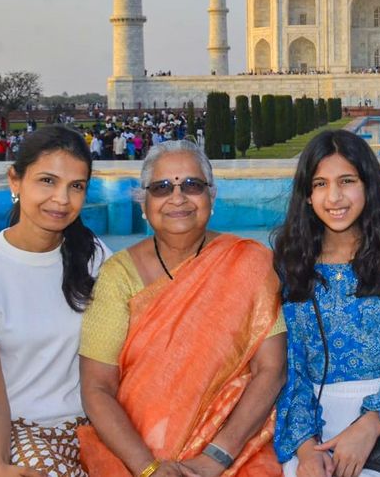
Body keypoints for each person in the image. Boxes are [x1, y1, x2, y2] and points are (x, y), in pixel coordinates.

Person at [78, 139, 285, 477]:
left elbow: (271, 370)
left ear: (211, 197)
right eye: (161, 188)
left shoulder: (250, 262)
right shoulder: (119, 275)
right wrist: (148, 467)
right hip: (132, 454)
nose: (178, 198)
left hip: (232, 451)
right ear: (144, 203)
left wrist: (215, 459)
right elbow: (96, 387)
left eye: (192, 185)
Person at [0, 125, 111, 476]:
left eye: (75, 186)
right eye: (47, 181)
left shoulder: (93, 258)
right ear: (15, 181)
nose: (62, 199)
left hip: (78, 426)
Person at [273, 129, 380, 477]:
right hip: (312, 427)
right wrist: (306, 449)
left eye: (346, 181)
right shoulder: (290, 266)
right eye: (320, 184)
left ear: (368, 185)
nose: (334, 197)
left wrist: (371, 424)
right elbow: (291, 368)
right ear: (306, 194)